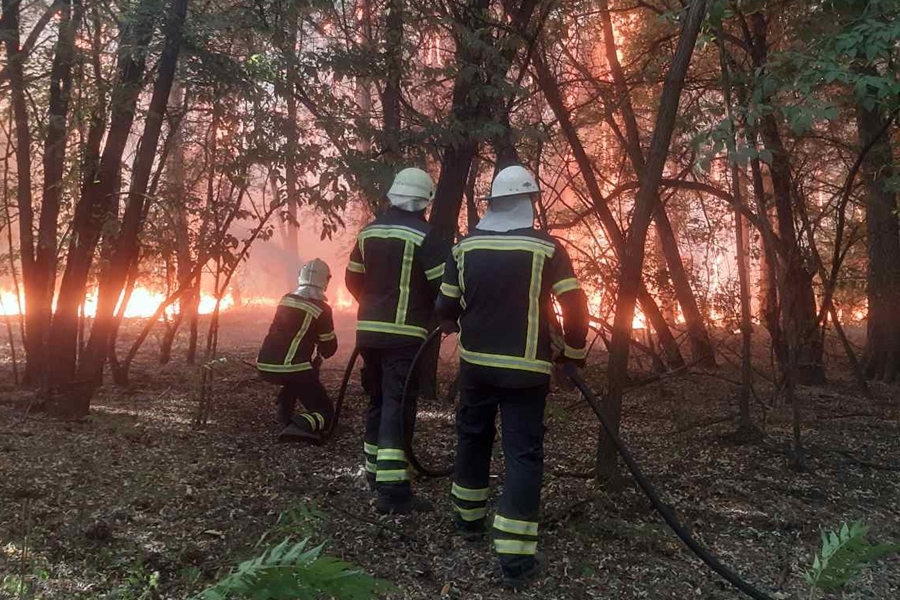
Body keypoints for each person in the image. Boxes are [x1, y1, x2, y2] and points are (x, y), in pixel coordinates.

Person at [436, 165, 589, 587]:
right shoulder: (546, 249)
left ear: (492, 204)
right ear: (529, 202)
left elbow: (444, 305)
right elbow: (574, 306)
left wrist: (451, 321)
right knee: (522, 454)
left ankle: (468, 521)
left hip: (477, 365)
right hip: (526, 370)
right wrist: (572, 356)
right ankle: (515, 558)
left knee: (472, 436)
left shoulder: (464, 248)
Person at [345, 167, 448, 514]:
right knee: (397, 404)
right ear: (424, 202)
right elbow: (443, 289)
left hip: (369, 333)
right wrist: (444, 316)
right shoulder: (426, 236)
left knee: (377, 399)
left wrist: (374, 308)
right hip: (404, 336)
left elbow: (352, 281)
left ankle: (375, 473)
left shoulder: (367, 233)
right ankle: (393, 492)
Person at [257, 258, 338, 445]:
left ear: (300, 276)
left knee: (294, 379)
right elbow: (328, 348)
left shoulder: (285, 300)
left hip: (265, 364)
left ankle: (283, 413)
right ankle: (297, 426)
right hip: (293, 367)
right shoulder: (322, 309)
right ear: (325, 281)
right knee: (326, 411)